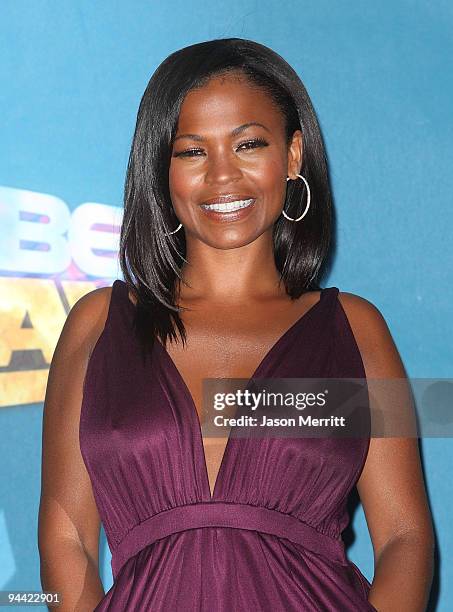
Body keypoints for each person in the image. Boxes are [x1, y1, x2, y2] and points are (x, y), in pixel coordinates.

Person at [38, 38, 434, 611]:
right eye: (192, 152)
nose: (223, 176)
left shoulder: (355, 330)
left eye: (249, 144)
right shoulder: (97, 326)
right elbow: (65, 536)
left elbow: (406, 538)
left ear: (293, 154)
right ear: (160, 169)